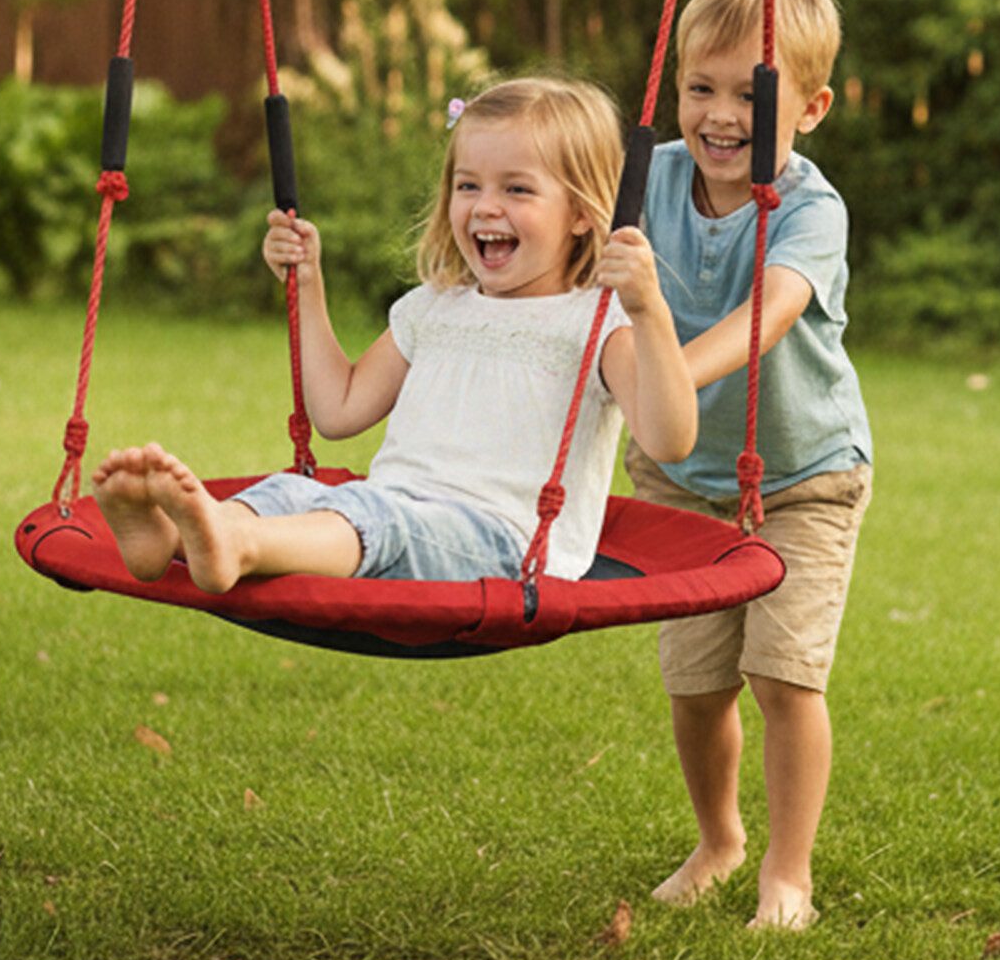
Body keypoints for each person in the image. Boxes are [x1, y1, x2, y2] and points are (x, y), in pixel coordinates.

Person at [91, 76, 696, 593]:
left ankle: (236, 545)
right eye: (468, 185)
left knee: (371, 514)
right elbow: (339, 409)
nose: (485, 207)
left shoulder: (597, 323)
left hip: (506, 542)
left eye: (516, 188)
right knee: (290, 490)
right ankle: (173, 538)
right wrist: (307, 287)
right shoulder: (434, 309)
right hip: (395, 507)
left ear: (585, 214)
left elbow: (669, 441)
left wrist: (649, 312)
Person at [634, 0, 872, 932]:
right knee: (695, 683)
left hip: (806, 478)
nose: (721, 114)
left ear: (810, 108)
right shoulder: (644, 181)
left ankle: (787, 870)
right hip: (681, 477)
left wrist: (666, 378)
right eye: (701, 87)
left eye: (752, 93)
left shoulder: (810, 211)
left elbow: (769, 313)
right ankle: (719, 838)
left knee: (783, 676)